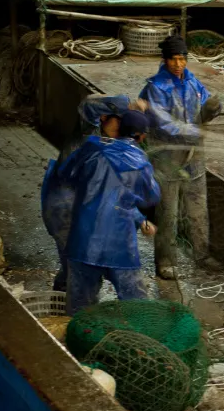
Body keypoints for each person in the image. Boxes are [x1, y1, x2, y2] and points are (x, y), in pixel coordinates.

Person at [41, 94, 148, 291]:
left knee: (78, 267)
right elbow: (88, 104)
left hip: (86, 208)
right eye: (120, 122)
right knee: (77, 268)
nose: (122, 130)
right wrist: (127, 105)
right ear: (104, 117)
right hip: (64, 207)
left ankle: (66, 300)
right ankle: (65, 311)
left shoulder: (111, 143)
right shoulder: (87, 131)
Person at [60, 111, 160, 314]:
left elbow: (66, 175)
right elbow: (151, 197)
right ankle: (141, 343)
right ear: (141, 136)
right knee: (137, 307)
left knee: (79, 310)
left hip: (82, 241)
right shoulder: (140, 162)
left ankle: (74, 343)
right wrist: (140, 216)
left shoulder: (90, 148)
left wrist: (139, 219)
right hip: (119, 245)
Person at [139, 35, 222, 279]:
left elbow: (205, 105)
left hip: (194, 155)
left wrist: (213, 108)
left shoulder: (193, 83)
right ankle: (165, 261)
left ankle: (202, 254)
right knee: (168, 211)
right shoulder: (156, 88)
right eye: (174, 59)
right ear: (165, 61)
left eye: (182, 59)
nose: (178, 64)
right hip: (168, 158)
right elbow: (163, 123)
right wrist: (193, 131)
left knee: (198, 207)